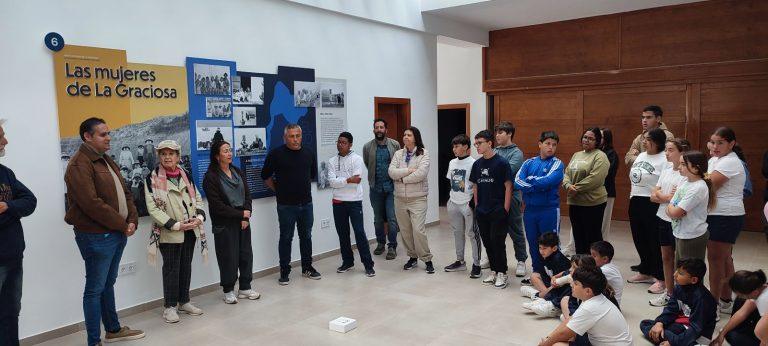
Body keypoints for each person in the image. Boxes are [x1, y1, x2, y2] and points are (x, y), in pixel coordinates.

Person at [64, 117, 145, 345]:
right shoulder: (79, 164)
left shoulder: (106, 160)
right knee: (94, 289)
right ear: (87, 137)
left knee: (107, 284)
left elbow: (126, 192)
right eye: (103, 134)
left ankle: (113, 329)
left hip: (116, 233)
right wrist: (122, 224)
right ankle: (93, 341)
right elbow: (91, 203)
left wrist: (132, 219)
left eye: (108, 133)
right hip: (96, 236)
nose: (108, 137)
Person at [144, 140, 208, 323]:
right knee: (172, 269)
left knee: (185, 266)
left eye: (171, 153)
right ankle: (170, 307)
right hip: (170, 232)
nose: (167, 157)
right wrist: (176, 225)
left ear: (178, 156)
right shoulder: (152, 178)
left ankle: (184, 301)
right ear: (159, 157)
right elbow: (153, 209)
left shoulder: (185, 174)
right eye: (163, 153)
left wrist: (199, 218)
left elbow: (197, 197)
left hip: (190, 229)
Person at [261, 124, 320, 285]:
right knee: (286, 238)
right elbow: (265, 176)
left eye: (298, 136)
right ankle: (284, 271)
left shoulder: (308, 153)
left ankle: (307, 267)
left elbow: (311, 175)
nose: (295, 139)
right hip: (286, 205)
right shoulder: (276, 154)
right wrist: (279, 190)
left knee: (306, 236)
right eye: (291, 136)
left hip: (306, 204)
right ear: (285, 137)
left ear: (301, 136)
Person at [203, 140, 260, 303]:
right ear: (216, 156)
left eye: (230, 150)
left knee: (246, 254)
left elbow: (248, 195)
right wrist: (240, 214)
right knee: (228, 257)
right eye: (225, 151)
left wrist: (245, 216)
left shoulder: (237, 171)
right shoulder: (211, 177)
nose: (229, 154)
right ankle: (228, 290)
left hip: (242, 221)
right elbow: (217, 207)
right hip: (224, 224)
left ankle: (245, 287)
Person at [0, 120, 37, 345]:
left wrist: (7, 207)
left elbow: (30, 201)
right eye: (1, 135)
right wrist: (13, 211)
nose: (6, 141)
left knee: (11, 311)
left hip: (13, 257)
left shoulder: (6, 173)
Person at [706, 127, 746, 316]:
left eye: (720, 142)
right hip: (715, 213)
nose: (715, 146)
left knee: (715, 260)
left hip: (726, 215)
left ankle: (712, 306)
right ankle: (725, 299)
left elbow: (707, 183)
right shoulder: (715, 159)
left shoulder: (730, 161)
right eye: (713, 142)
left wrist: (696, 174)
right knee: (724, 259)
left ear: (732, 144)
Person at [539, 267, 633, 346]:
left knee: (557, 344)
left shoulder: (590, 307)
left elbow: (563, 333)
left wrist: (544, 344)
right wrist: (549, 338)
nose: (571, 284)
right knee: (567, 331)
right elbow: (570, 320)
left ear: (588, 291)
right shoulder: (595, 298)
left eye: (575, 284)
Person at [515, 130, 564, 275]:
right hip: (530, 211)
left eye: (554, 145)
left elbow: (549, 180)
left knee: (550, 244)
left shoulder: (557, 164)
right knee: (533, 243)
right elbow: (517, 181)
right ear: (540, 144)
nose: (551, 147)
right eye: (548, 144)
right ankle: (538, 273)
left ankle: (554, 275)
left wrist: (530, 181)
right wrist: (538, 185)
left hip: (548, 210)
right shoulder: (528, 163)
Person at [648, 138, 690, 307]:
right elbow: (653, 195)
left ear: (682, 152)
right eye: (666, 149)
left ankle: (683, 296)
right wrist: (664, 196)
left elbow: (677, 199)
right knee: (666, 257)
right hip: (662, 217)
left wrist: (661, 196)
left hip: (678, 221)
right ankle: (670, 293)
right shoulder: (665, 168)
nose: (666, 153)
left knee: (681, 260)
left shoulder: (685, 173)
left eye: (670, 150)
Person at [327, 132, 375, 277]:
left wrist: (340, 181)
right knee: (343, 234)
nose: (340, 144)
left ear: (350, 144)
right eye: (339, 142)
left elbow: (357, 180)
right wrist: (347, 180)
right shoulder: (331, 161)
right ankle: (347, 262)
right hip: (338, 202)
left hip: (354, 201)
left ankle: (368, 265)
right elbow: (331, 182)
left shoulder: (357, 159)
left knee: (359, 233)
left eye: (344, 142)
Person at [640, 258, 717, 346]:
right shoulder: (678, 288)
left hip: (697, 335)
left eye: (680, 273)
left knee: (661, 332)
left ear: (694, 280)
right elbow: (670, 310)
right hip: (678, 326)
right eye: (676, 270)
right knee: (645, 324)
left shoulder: (702, 298)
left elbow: (696, 328)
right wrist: (659, 323)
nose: (674, 274)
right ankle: (670, 340)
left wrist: (674, 342)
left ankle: (674, 341)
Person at [627, 128, 668, 293]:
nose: (644, 142)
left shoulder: (664, 158)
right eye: (644, 138)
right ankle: (645, 270)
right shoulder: (642, 156)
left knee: (654, 240)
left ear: (657, 142)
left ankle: (660, 278)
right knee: (639, 237)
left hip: (653, 202)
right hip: (636, 199)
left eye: (648, 139)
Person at [470, 130, 513, 288]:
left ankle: (502, 272)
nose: (477, 146)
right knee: (487, 242)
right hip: (482, 210)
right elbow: (475, 186)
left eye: (480, 143)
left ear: (490, 143)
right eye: (476, 144)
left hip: (498, 210)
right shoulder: (477, 164)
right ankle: (494, 271)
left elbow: (508, 186)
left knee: (497, 241)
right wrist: (477, 206)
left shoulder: (501, 163)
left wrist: (505, 209)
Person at [389, 126, 432, 273]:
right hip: (400, 198)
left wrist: (401, 179)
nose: (405, 137)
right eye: (404, 135)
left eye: (409, 135)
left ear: (415, 138)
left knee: (418, 230)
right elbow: (391, 172)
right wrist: (407, 171)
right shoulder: (398, 154)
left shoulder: (424, 153)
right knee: (406, 231)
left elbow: (421, 174)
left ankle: (427, 259)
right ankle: (412, 257)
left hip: (418, 199)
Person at [562, 128, 609, 254]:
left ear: (597, 141)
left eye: (591, 138)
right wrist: (567, 185)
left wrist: (575, 188)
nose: (586, 140)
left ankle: (595, 268)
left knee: (592, 238)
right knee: (578, 236)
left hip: (593, 203)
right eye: (585, 137)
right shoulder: (577, 155)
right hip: (575, 202)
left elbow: (596, 178)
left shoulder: (600, 156)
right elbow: (567, 172)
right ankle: (581, 265)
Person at [443, 134, 481, 278]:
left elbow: (477, 185)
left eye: (457, 146)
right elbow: (451, 181)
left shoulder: (474, 163)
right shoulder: (452, 162)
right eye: (453, 146)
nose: (454, 149)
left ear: (465, 147)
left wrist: (473, 204)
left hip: (467, 203)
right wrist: (450, 200)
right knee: (457, 233)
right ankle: (460, 261)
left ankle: (476, 264)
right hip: (453, 202)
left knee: (472, 234)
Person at [362, 119, 401, 260]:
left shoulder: (395, 145)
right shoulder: (367, 147)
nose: (379, 129)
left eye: (381, 127)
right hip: (375, 188)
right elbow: (368, 164)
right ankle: (380, 243)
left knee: (391, 218)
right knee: (378, 219)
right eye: (376, 127)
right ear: (374, 130)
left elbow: (399, 164)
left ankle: (392, 246)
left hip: (391, 188)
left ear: (386, 130)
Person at [494, 121, 528, 278]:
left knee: (516, 230)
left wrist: (492, 170)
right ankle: (494, 258)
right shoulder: (494, 150)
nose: (497, 135)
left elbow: (507, 171)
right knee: (494, 230)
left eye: (501, 132)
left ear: (509, 134)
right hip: (495, 196)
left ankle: (521, 260)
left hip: (512, 195)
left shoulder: (516, 153)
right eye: (497, 132)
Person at [666, 151, 713, 262]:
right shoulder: (685, 182)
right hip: (680, 232)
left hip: (692, 235)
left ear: (696, 168)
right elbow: (670, 208)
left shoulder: (698, 187)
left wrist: (673, 209)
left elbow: (674, 212)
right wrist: (673, 209)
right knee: (680, 272)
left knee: (689, 273)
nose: (678, 167)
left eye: (683, 164)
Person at [520, 232, 571, 318]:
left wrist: (549, 288)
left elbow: (560, 283)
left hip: (561, 286)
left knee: (553, 291)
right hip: (551, 281)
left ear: (554, 248)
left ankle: (539, 296)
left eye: (544, 248)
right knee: (534, 276)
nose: (541, 251)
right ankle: (542, 296)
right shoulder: (544, 255)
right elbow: (543, 272)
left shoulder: (558, 260)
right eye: (540, 248)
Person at [712, 270, 768, 346]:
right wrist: (722, 334)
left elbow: (764, 333)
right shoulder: (761, 288)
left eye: (743, 295)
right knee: (730, 333)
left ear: (754, 292)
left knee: (736, 336)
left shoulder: (764, 300)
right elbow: (742, 312)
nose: (742, 297)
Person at [589, 241, 624, 306]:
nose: (590, 258)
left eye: (594, 256)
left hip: (611, 305)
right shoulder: (610, 266)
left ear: (605, 259)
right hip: (609, 302)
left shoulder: (605, 270)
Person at [599, 129, 618, 242]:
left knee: (604, 223)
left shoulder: (612, 154)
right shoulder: (593, 152)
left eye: (601, 136)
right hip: (592, 192)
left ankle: (603, 248)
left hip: (607, 192)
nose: (598, 138)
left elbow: (609, 173)